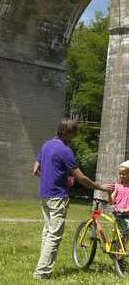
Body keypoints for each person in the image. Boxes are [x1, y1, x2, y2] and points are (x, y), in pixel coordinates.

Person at [32, 118, 114, 280]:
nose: (74, 138)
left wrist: (53, 176)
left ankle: (42, 268)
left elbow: (35, 170)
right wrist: (100, 187)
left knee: (48, 232)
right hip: (57, 197)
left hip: (44, 195)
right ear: (67, 132)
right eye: (74, 134)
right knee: (54, 235)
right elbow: (81, 178)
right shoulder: (65, 150)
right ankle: (41, 273)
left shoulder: (46, 145)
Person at [110, 160, 129, 233]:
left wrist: (127, 209)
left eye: (124, 174)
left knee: (125, 234)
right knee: (120, 234)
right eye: (120, 174)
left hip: (127, 214)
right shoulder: (117, 186)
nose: (121, 176)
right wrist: (109, 193)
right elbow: (111, 201)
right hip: (118, 213)